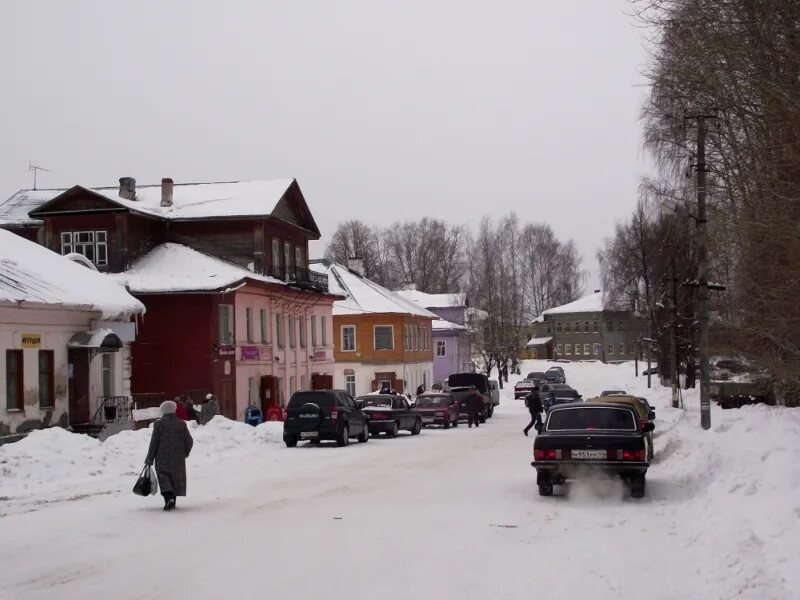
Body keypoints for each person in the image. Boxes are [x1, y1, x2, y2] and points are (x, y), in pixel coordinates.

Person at [145, 400, 194, 511]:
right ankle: (173, 500)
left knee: (164, 477)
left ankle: (168, 499)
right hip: (177, 458)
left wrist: (149, 458)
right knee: (175, 478)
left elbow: (154, 442)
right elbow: (189, 441)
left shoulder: (159, 424)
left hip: (162, 457)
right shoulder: (181, 424)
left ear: (163, 410)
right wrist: (185, 452)